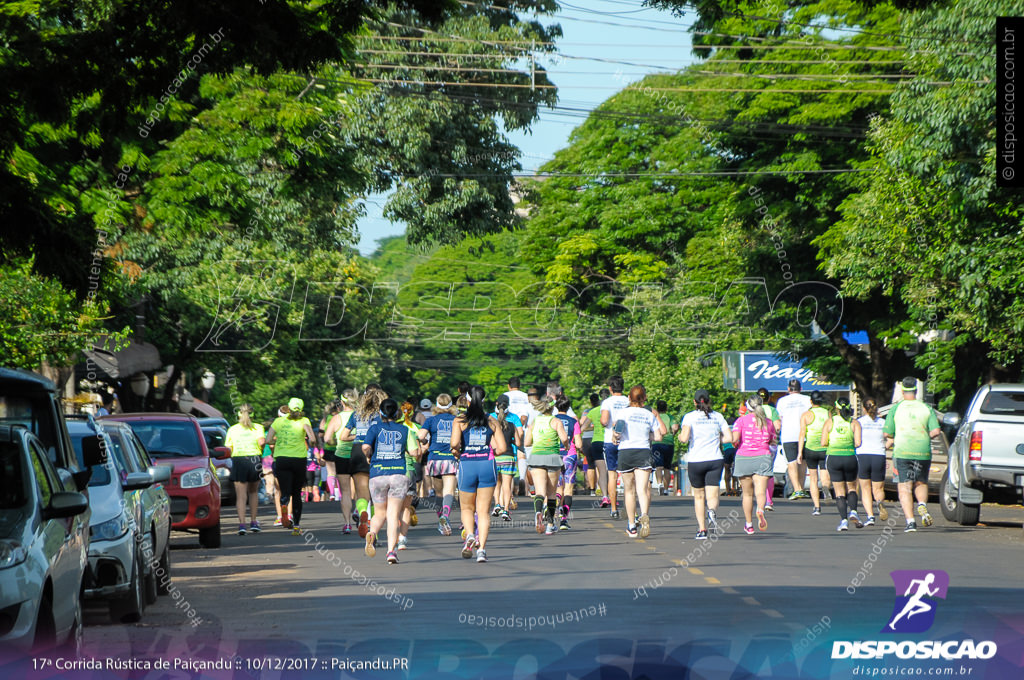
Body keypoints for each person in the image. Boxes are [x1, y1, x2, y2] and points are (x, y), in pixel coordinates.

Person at [451, 385, 508, 562]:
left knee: (467, 508)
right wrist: (491, 453)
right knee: (483, 512)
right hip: (487, 464)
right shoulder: (491, 420)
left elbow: (454, 444)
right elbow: (503, 448)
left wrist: (458, 453)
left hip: (467, 464)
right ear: (484, 401)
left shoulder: (460, 421)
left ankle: (469, 535)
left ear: (467, 400)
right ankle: (481, 549)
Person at [884, 377, 941, 532]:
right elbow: (936, 431)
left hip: (902, 451)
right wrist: (924, 436)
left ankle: (910, 522)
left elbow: (887, 432)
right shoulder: (926, 408)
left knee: (904, 487)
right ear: (916, 390)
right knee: (921, 482)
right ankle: (922, 504)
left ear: (902, 391)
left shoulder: (896, 409)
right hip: (922, 451)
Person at [612, 385, 666, 538]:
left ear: (629, 398)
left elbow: (617, 432)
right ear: (644, 398)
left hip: (626, 452)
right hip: (643, 452)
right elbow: (658, 437)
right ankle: (644, 515)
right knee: (642, 490)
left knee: (629, 491)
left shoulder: (623, 412)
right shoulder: (648, 414)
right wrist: (645, 436)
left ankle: (631, 526)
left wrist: (616, 437)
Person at [361, 399, 410, 565]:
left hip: (378, 474)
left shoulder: (374, 428)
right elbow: (413, 451)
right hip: (398, 474)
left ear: (380, 413)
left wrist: (369, 455)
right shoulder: (404, 429)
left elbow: (365, 447)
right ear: (396, 413)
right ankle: (391, 551)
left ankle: (372, 533)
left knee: (379, 512)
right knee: (393, 514)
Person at [679, 389, 732, 539]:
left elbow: (684, 438)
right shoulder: (718, 416)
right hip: (715, 459)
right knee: (712, 493)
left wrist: (679, 435)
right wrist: (716, 439)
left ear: (694, 402)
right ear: (708, 401)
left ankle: (702, 530)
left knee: (699, 496)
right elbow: (730, 437)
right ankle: (712, 512)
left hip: (696, 460)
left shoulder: (689, 417)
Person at [337, 385, 387, 538]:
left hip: (357, 450)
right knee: (376, 495)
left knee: (362, 492)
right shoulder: (381, 415)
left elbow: (343, 436)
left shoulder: (356, 414)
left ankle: (363, 511)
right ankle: (374, 532)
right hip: (375, 450)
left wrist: (359, 436)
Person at [266, 398, 317, 535]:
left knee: (285, 490)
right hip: (298, 460)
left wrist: (278, 442)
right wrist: (311, 443)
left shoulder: (278, 422)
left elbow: (268, 440)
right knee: (296, 493)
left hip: (281, 459)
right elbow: (312, 439)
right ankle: (296, 527)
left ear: (288, 408)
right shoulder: (304, 421)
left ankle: (283, 504)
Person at [524, 395, 569, 535]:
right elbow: (564, 438)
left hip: (536, 457)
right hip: (552, 458)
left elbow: (526, 442)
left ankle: (538, 511)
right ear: (553, 407)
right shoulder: (556, 421)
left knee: (540, 492)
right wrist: (566, 446)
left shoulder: (534, 421)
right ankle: (550, 524)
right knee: (551, 494)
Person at [732, 395, 777, 535]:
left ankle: (749, 525)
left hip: (744, 457)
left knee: (747, 494)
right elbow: (773, 441)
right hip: (763, 457)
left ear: (747, 406)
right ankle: (760, 510)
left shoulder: (740, 421)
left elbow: (734, 439)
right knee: (760, 492)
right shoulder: (769, 423)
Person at [418, 393, 459, 536]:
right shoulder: (456, 419)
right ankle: (445, 517)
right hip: (450, 458)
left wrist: (425, 443)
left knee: (439, 492)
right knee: (449, 492)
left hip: (434, 458)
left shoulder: (432, 420)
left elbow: (420, 436)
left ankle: (440, 521)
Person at [821, 396, 863, 531]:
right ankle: (854, 512)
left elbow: (823, 442)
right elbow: (858, 443)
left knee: (839, 491)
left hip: (834, 458)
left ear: (836, 408)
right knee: (852, 487)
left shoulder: (830, 421)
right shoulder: (854, 422)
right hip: (850, 457)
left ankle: (844, 521)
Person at [225, 404, 266, 535]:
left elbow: (228, 448)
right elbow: (261, 442)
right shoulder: (258, 427)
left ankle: (242, 524)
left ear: (238, 415)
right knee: (253, 492)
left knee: (241, 496)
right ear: (253, 415)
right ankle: (254, 522)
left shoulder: (232, 429)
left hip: (239, 460)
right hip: (254, 460)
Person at [323, 389, 357, 534]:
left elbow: (326, 438)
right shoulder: (360, 416)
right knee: (361, 489)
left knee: (345, 491)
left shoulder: (336, 418)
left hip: (342, 455)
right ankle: (361, 513)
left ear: (342, 402)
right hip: (358, 453)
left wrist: (333, 441)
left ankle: (347, 523)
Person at [798, 390, 832, 516]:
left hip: (810, 449)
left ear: (811, 401)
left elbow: (802, 434)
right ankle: (826, 488)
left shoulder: (806, 415)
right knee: (825, 477)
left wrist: (799, 452)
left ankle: (817, 507)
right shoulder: (827, 413)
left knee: (813, 478)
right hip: (825, 448)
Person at [776, 379, 812, 499]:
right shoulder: (807, 400)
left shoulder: (782, 401)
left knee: (791, 463)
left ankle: (797, 489)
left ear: (788, 389)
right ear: (800, 389)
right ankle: (801, 488)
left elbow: (779, 418)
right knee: (803, 462)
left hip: (788, 435)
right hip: (805, 435)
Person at [554, 394, 585, 530]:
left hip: (555, 455)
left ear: (556, 406)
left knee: (558, 486)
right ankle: (564, 519)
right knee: (568, 488)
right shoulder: (573, 421)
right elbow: (578, 444)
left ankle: (553, 505)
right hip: (570, 455)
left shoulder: (552, 420)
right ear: (568, 407)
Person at [856, 397, 889, 526]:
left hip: (863, 455)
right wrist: (885, 446)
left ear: (864, 408)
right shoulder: (883, 423)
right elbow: (890, 439)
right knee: (878, 488)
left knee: (865, 488)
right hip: (878, 455)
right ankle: (879, 502)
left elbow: (856, 441)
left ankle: (870, 516)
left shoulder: (859, 422)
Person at [600, 376, 629, 519]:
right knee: (628, 475)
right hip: (626, 441)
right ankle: (631, 509)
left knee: (612, 474)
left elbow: (604, 421)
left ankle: (613, 508)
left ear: (610, 388)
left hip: (610, 441)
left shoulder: (607, 402)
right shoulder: (629, 401)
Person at [490, 394, 522, 522]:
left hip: (496, 457)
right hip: (509, 456)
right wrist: (512, 441)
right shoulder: (512, 424)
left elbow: (492, 442)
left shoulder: (492, 424)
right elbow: (519, 443)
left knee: (496, 483)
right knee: (507, 485)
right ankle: (506, 510)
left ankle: (497, 504)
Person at [757, 388, 782, 511]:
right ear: (769, 398)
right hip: (770, 444)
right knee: (768, 472)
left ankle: (759, 499)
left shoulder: (752, 411)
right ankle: (768, 501)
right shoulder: (772, 410)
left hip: (755, 445)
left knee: (757, 473)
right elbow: (778, 427)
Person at [652, 400, 678, 496]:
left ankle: (659, 485)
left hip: (657, 443)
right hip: (669, 444)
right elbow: (675, 427)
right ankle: (666, 490)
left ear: (657, 408)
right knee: (667, 468)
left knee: (658, 467)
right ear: (666, 408)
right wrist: (672, 434)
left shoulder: (654, 417)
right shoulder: (670, 417)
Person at [318, 400, 341, 502]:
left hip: (328, 448)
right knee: (340, 472)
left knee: (330, 473)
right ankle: (339, 494)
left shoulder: (325, 419)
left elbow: (320, 435)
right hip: (340, 448)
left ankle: (332, 493)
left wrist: (321, 444)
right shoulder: (340, 418)